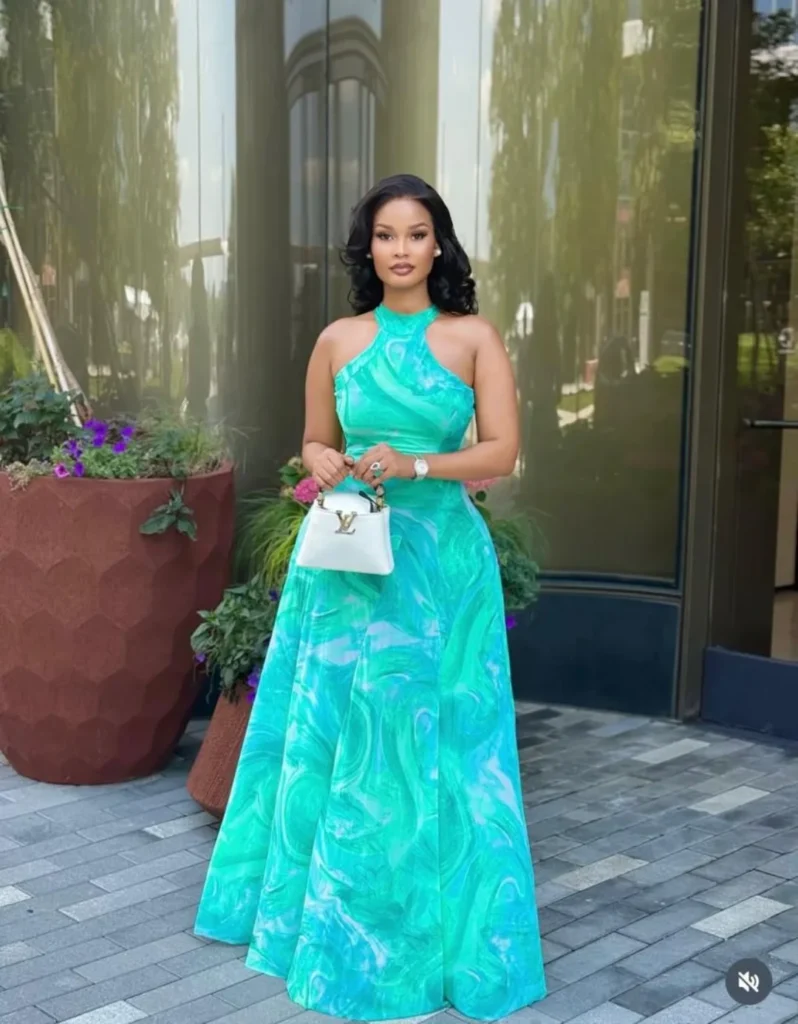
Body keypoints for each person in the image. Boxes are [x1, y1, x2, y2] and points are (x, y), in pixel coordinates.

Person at [194, 173, 547, 1022]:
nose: (401, 250)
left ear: (439, 244)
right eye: (386, 235)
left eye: (417, 234)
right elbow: (315, 441)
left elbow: (501, 453)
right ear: (368, 249)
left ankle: (443, 944)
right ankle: (334, 929)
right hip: (349, 562)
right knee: (340, 737)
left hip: (441, 568)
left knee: (448, 740)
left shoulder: (472, 337)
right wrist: (319, 459)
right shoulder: (338, 340)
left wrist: (418, 463)